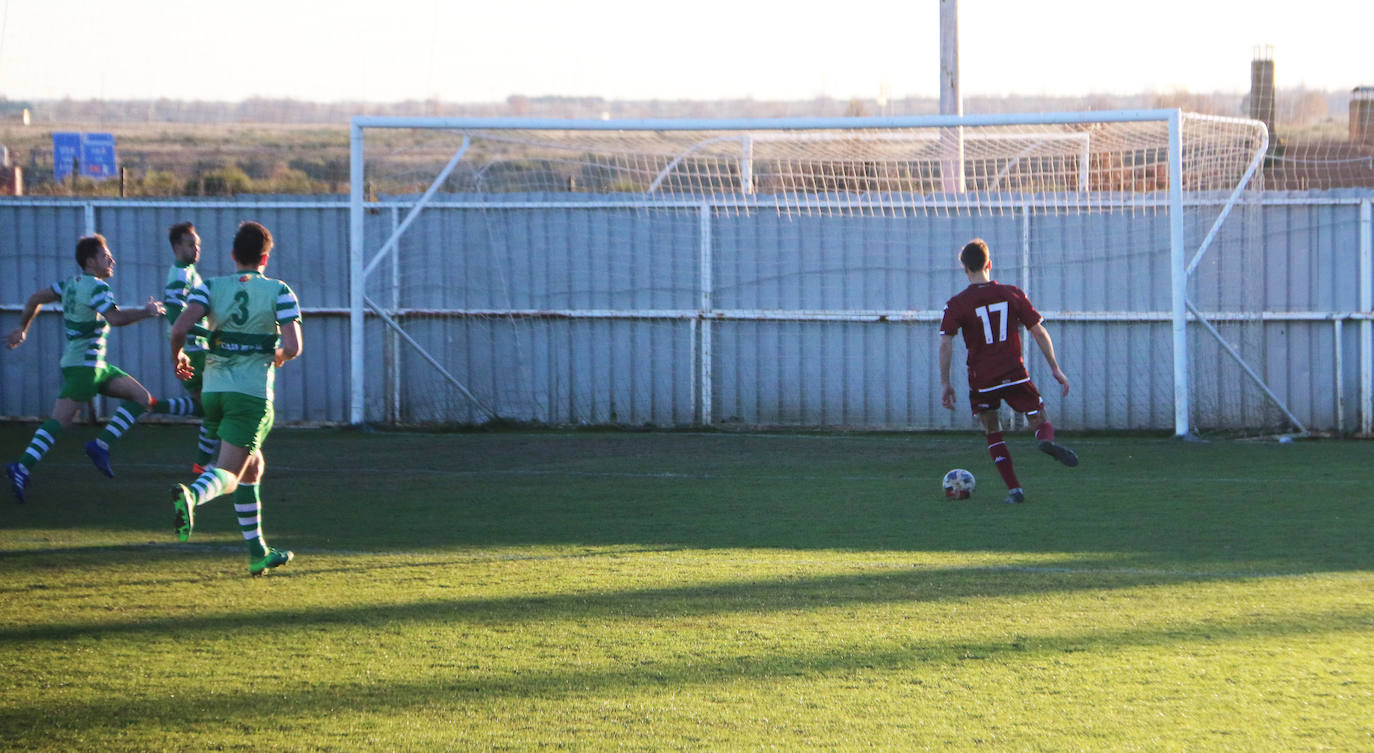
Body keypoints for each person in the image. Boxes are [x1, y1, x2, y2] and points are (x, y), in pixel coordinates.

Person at [168, 221, 301, 575]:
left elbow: (180, 328)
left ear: (233, 256)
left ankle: (258, 552)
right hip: (249, 395)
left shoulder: (209, 287)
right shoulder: (279, 291)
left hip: (213, 392)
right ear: (265, 258)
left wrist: (179, 357)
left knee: (253, 466)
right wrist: (279, 356)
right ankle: (193, 496)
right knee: (228, 472)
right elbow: (293, 345)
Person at [6, 234, 167, 502]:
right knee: (59, 421)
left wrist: (22, 329)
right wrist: (146, 311)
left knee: (142, 397)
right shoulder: (97, 287)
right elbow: (114, 318)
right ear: (91, 261)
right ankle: (21, 466)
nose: (112, 260)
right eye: (106, 256)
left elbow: (35, 298)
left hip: (94, 366)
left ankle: (100, 445)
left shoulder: (69, 284)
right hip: (84, 367)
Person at [938, 238, 1079, 505]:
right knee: (1040, 417)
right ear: (989, 264)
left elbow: (946, 343)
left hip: (982, 379)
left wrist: (945, 383)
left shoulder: (957, 304)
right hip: (1014, 372)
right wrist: (1055, 368)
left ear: (965, 269)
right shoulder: (1012, 293)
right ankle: (1044, 439)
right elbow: (1038, 331)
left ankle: (1015, 491)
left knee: (993, 431)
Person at [159, 221, 219, 472]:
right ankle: (203, 465)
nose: (196, 249)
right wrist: (209, 334)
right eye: (190, 244)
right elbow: (175, 319)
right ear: (176, 247)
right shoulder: (181, 276)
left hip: (194, 351)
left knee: (208, 408)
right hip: (194, 353)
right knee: (216, 409)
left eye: (198, 245)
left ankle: (151, 404)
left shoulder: (189, 273)